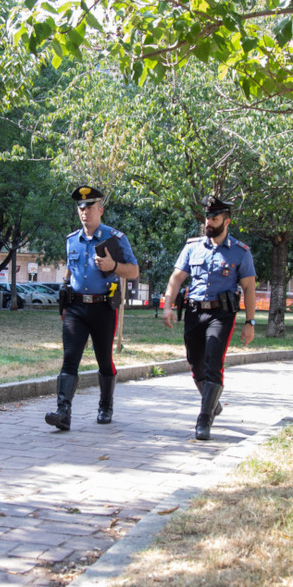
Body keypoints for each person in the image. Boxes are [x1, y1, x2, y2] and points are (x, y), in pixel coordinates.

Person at [161, 194, 257, 440]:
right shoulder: (192, 247)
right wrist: (168, 306)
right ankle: (212, 402)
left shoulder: (240, 252)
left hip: (221, 314)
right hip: (194, 311)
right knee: (195, 362)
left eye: (214, 217)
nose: (209, 221)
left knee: (213, 361)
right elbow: (176, 278)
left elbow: (248, 288)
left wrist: (250, 322)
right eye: (207, 217)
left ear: (227, 221)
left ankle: (204, 419)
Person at [45, 186, 139, 432]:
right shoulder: (71, 240)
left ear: (100, 209)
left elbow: (134, 270)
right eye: (80, 207)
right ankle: (63, 412)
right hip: (76, 308)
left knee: (104, 359)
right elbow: (70, 267)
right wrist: (65, 290)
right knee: (69, 360)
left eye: (89, 207)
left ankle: (105, 406)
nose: (84, 211)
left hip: (104, 308)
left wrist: (113, 264)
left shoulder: (115, 239)